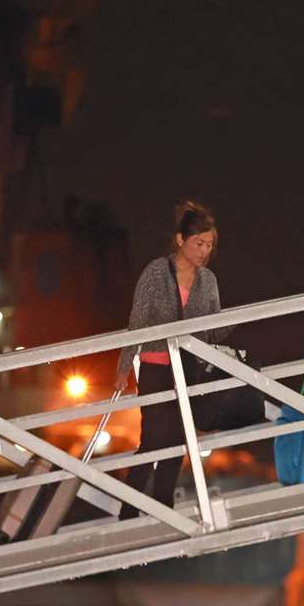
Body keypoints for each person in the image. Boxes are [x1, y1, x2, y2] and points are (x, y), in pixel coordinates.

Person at [115, 201, 222, 513]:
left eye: (209, 244)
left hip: (189, 369)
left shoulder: (208, 280)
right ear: (180, 240)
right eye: (198, 243)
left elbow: (213, 327)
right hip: (156, 366)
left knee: (178, 442)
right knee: (153, 439)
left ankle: (162, 507)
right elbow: (136, 321)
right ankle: (130, 508)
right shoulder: (156, 272)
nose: (204, 250)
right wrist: (124, 366)